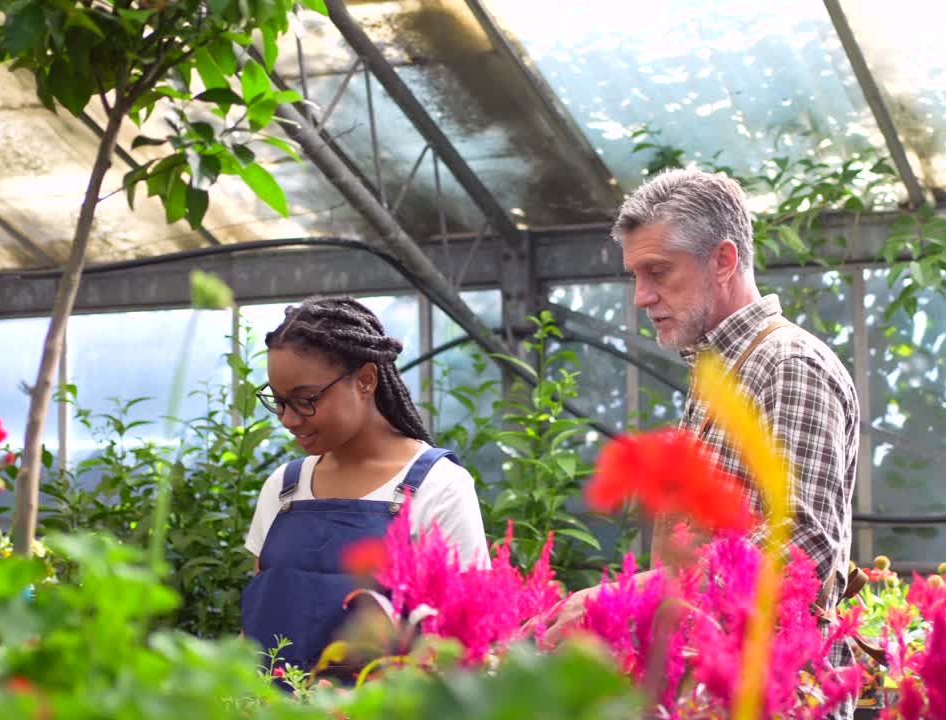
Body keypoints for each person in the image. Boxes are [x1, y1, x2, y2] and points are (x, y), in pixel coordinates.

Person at [544, 169, 859, 714]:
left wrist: (630, 598)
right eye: (636, 276)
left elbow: (801, 548)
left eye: (658, 272)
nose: (642, 297)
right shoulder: (721, 370)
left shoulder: (787, 364)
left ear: (723, 260)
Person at [242, 295, 488, 674]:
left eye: (305, 400)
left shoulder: (438, 487)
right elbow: (256, 628)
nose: (288, 419)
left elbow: (465, 646)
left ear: (366, 380)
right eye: (278, 401)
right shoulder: (283, 488)